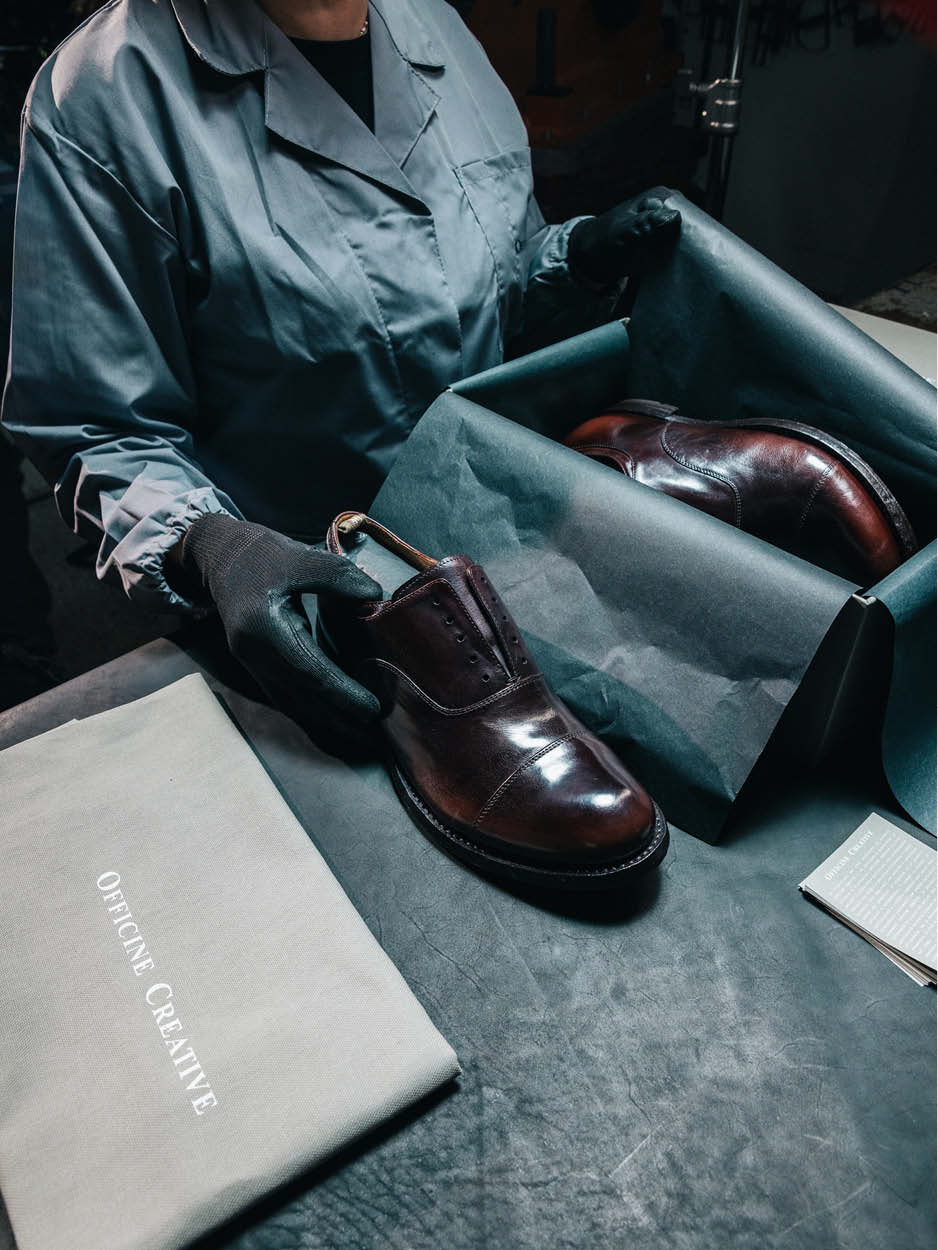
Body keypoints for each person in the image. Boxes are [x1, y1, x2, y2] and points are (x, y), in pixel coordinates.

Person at [1, 0, 680, 745]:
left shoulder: (429, 22)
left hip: (505, 553)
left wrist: (573, 261)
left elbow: (476, 280)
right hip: (319, 616)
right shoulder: (104, 96)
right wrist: (208, 545)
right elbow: (96, 423)